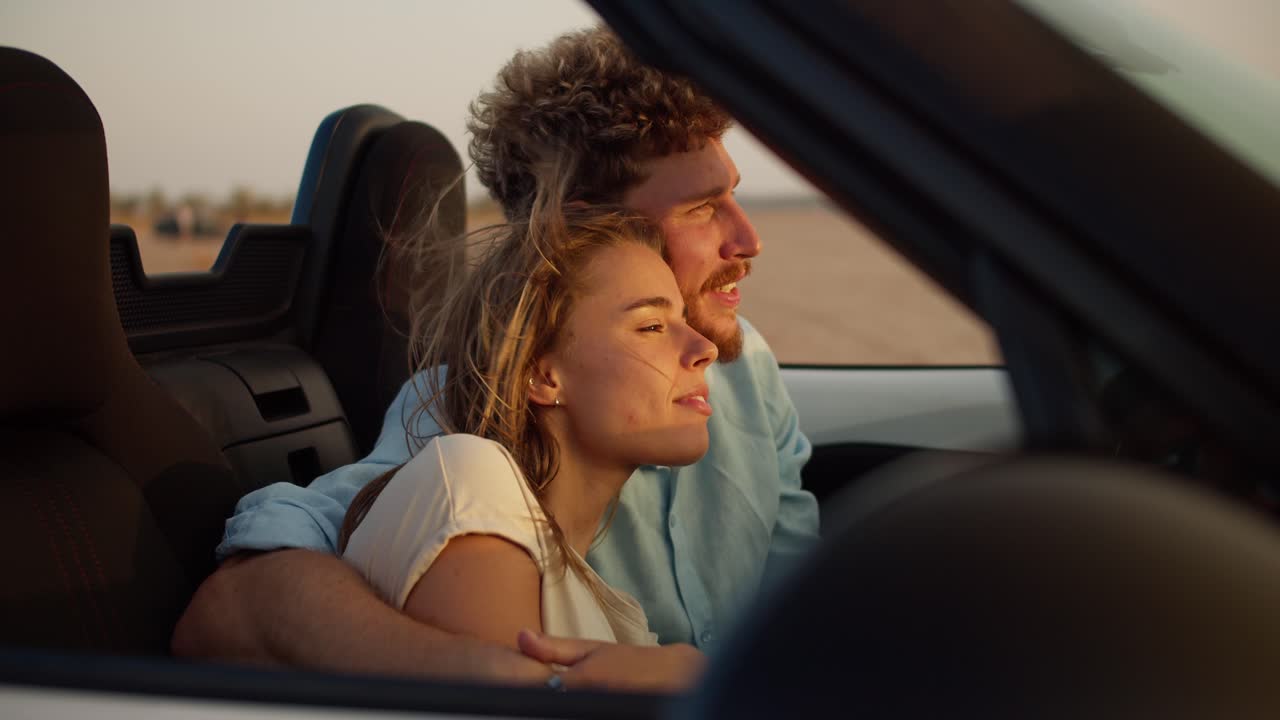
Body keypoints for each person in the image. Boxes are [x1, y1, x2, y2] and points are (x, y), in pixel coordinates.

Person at [173, 26, 818, 691]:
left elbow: (805, 611)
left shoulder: (747, 371)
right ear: (577, 229)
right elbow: (243, 604)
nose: (749, 238)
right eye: (704, 208)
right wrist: (537, 683)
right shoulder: (471, 406)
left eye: (734, 195)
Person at [338, 207, 714, 688]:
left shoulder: (593, 594)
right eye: (651, 326)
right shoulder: (469, 481)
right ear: (543, 374)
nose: (704, 346)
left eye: (681, 320)